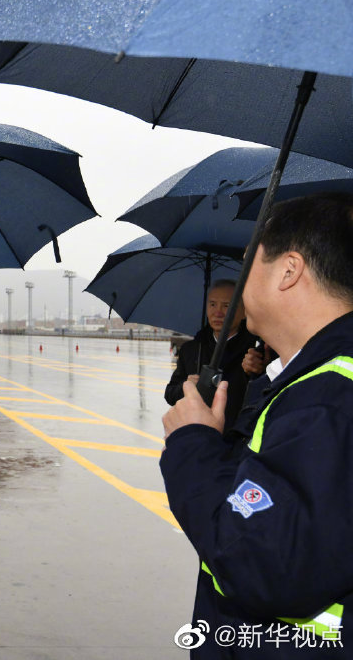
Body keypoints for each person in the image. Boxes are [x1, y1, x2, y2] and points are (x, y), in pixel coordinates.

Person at [161, 192, 353, 658]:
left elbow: (260, 562)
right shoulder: (313, 381)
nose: (242, 278)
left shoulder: (326, 400)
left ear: (289, 270)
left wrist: (193, 443)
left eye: (250, 261)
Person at [164, 279, 266, 437]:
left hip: (241, 439)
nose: (218, 312)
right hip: (198, 437)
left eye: (226, 306)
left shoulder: (257, 349)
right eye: (212, 304)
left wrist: (258, 373)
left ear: (243, 311)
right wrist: (186, 386)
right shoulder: (192, 349)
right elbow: (170, 394)